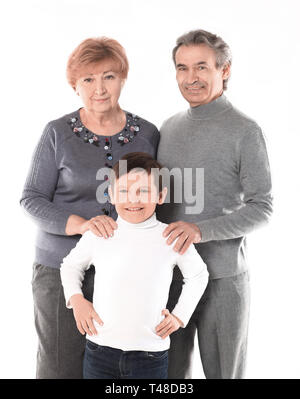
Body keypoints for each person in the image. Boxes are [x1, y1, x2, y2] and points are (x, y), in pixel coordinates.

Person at [20, 37, 160, 379]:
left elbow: (155, 198)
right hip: (60, 269)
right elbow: (31, 199)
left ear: (123, 79)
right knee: (60, 366)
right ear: (75, 85)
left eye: (109, 76)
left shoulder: (148, 134)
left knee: (115, 368)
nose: (99, 88)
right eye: (88, 79)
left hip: (125, 271)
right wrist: (82, 225)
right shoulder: (57, 133)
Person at [156, 29, 273, 379]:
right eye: (182, 68)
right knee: (168, 376)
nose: (190, 78)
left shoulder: (245, 131)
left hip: (222, 279)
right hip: (171, 277)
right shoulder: (168, 128)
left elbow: (262, 206)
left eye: (201, 67)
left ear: (225, 70)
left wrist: (200, 230)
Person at [60, 152, 209, 379]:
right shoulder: (100, 233)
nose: (133, 199)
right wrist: (77, 300)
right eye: (124, 191)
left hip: (150, 355)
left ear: (160, 196)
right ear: (111, 195)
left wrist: (179, 316)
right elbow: (70, 266)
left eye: (143, 191)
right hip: (99, 350)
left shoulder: (170, 236)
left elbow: (198, 275)